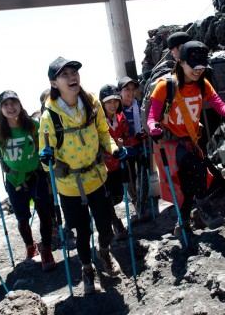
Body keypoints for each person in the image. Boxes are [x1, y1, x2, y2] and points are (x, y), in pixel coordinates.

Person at [38, 56, 125, 295]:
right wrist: (46, 158)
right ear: (54, 83)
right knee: (82, 231)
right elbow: (46, 158)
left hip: (97, 177)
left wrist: (113, 149)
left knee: (106, 227)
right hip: (69, 186)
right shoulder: (49, 116)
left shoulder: (91, 102)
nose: (72, 77)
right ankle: (87, 268)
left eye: (73, 72)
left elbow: (103, 132)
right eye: (64, 74)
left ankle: (104, 252)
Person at [146, 41, 225, 237]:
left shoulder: (203, 84)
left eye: (202, 67)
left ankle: (182, 225)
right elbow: (152, 117)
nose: (198, 71)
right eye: (194, 66)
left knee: (187, 187)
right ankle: (204, 208)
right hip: (168, 144)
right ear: (181, 62)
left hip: (189, 142)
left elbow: (220, 106)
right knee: (198, 166)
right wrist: (153, 128)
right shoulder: (165, 87)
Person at [0, 90, 56, 271]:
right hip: (14, 180)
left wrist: (50, 153)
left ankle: (46, 250)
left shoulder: (34, 126)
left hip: (36, 176)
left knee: (45, 214)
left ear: (20, 105)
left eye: (13, 103)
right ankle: (30, 246)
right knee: (22, 219)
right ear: (0, 110)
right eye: (5, 105)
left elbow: (48, 143)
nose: (10, 107)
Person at [99, 84, 139, 240]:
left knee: (118, 196)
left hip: (118, 163)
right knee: (107, 197)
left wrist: (136, 139)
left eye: (115, 100)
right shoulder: (98, 121)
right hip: (104, 167)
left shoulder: (121, 118)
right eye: (108, 102)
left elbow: (126, 138)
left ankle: (111, 215)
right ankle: (115, 223)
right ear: (102, 103)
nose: (113, 105)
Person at [117, 76, 150, 220]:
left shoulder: (140, 105)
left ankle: (142, 202)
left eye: (133, 89)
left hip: (142, 145)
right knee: (130, 177)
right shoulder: (116, 109)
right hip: (126, 149)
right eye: (127, 89)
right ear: (119, 92)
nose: (131, 92)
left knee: (144, 175)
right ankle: (136, 201)